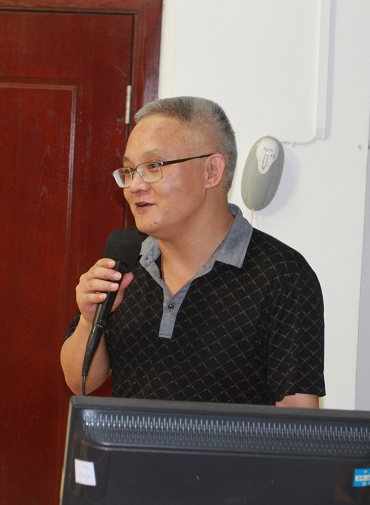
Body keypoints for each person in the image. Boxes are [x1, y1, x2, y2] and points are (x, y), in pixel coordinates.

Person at [60, 96, 324, 407]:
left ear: (211, 171)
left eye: (153, 166)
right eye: (130, 170)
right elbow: (80, 382)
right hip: (129, 442)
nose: (134, 186)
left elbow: (297, 417)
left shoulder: (282, 274)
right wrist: (90, 321)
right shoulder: (127, 262)